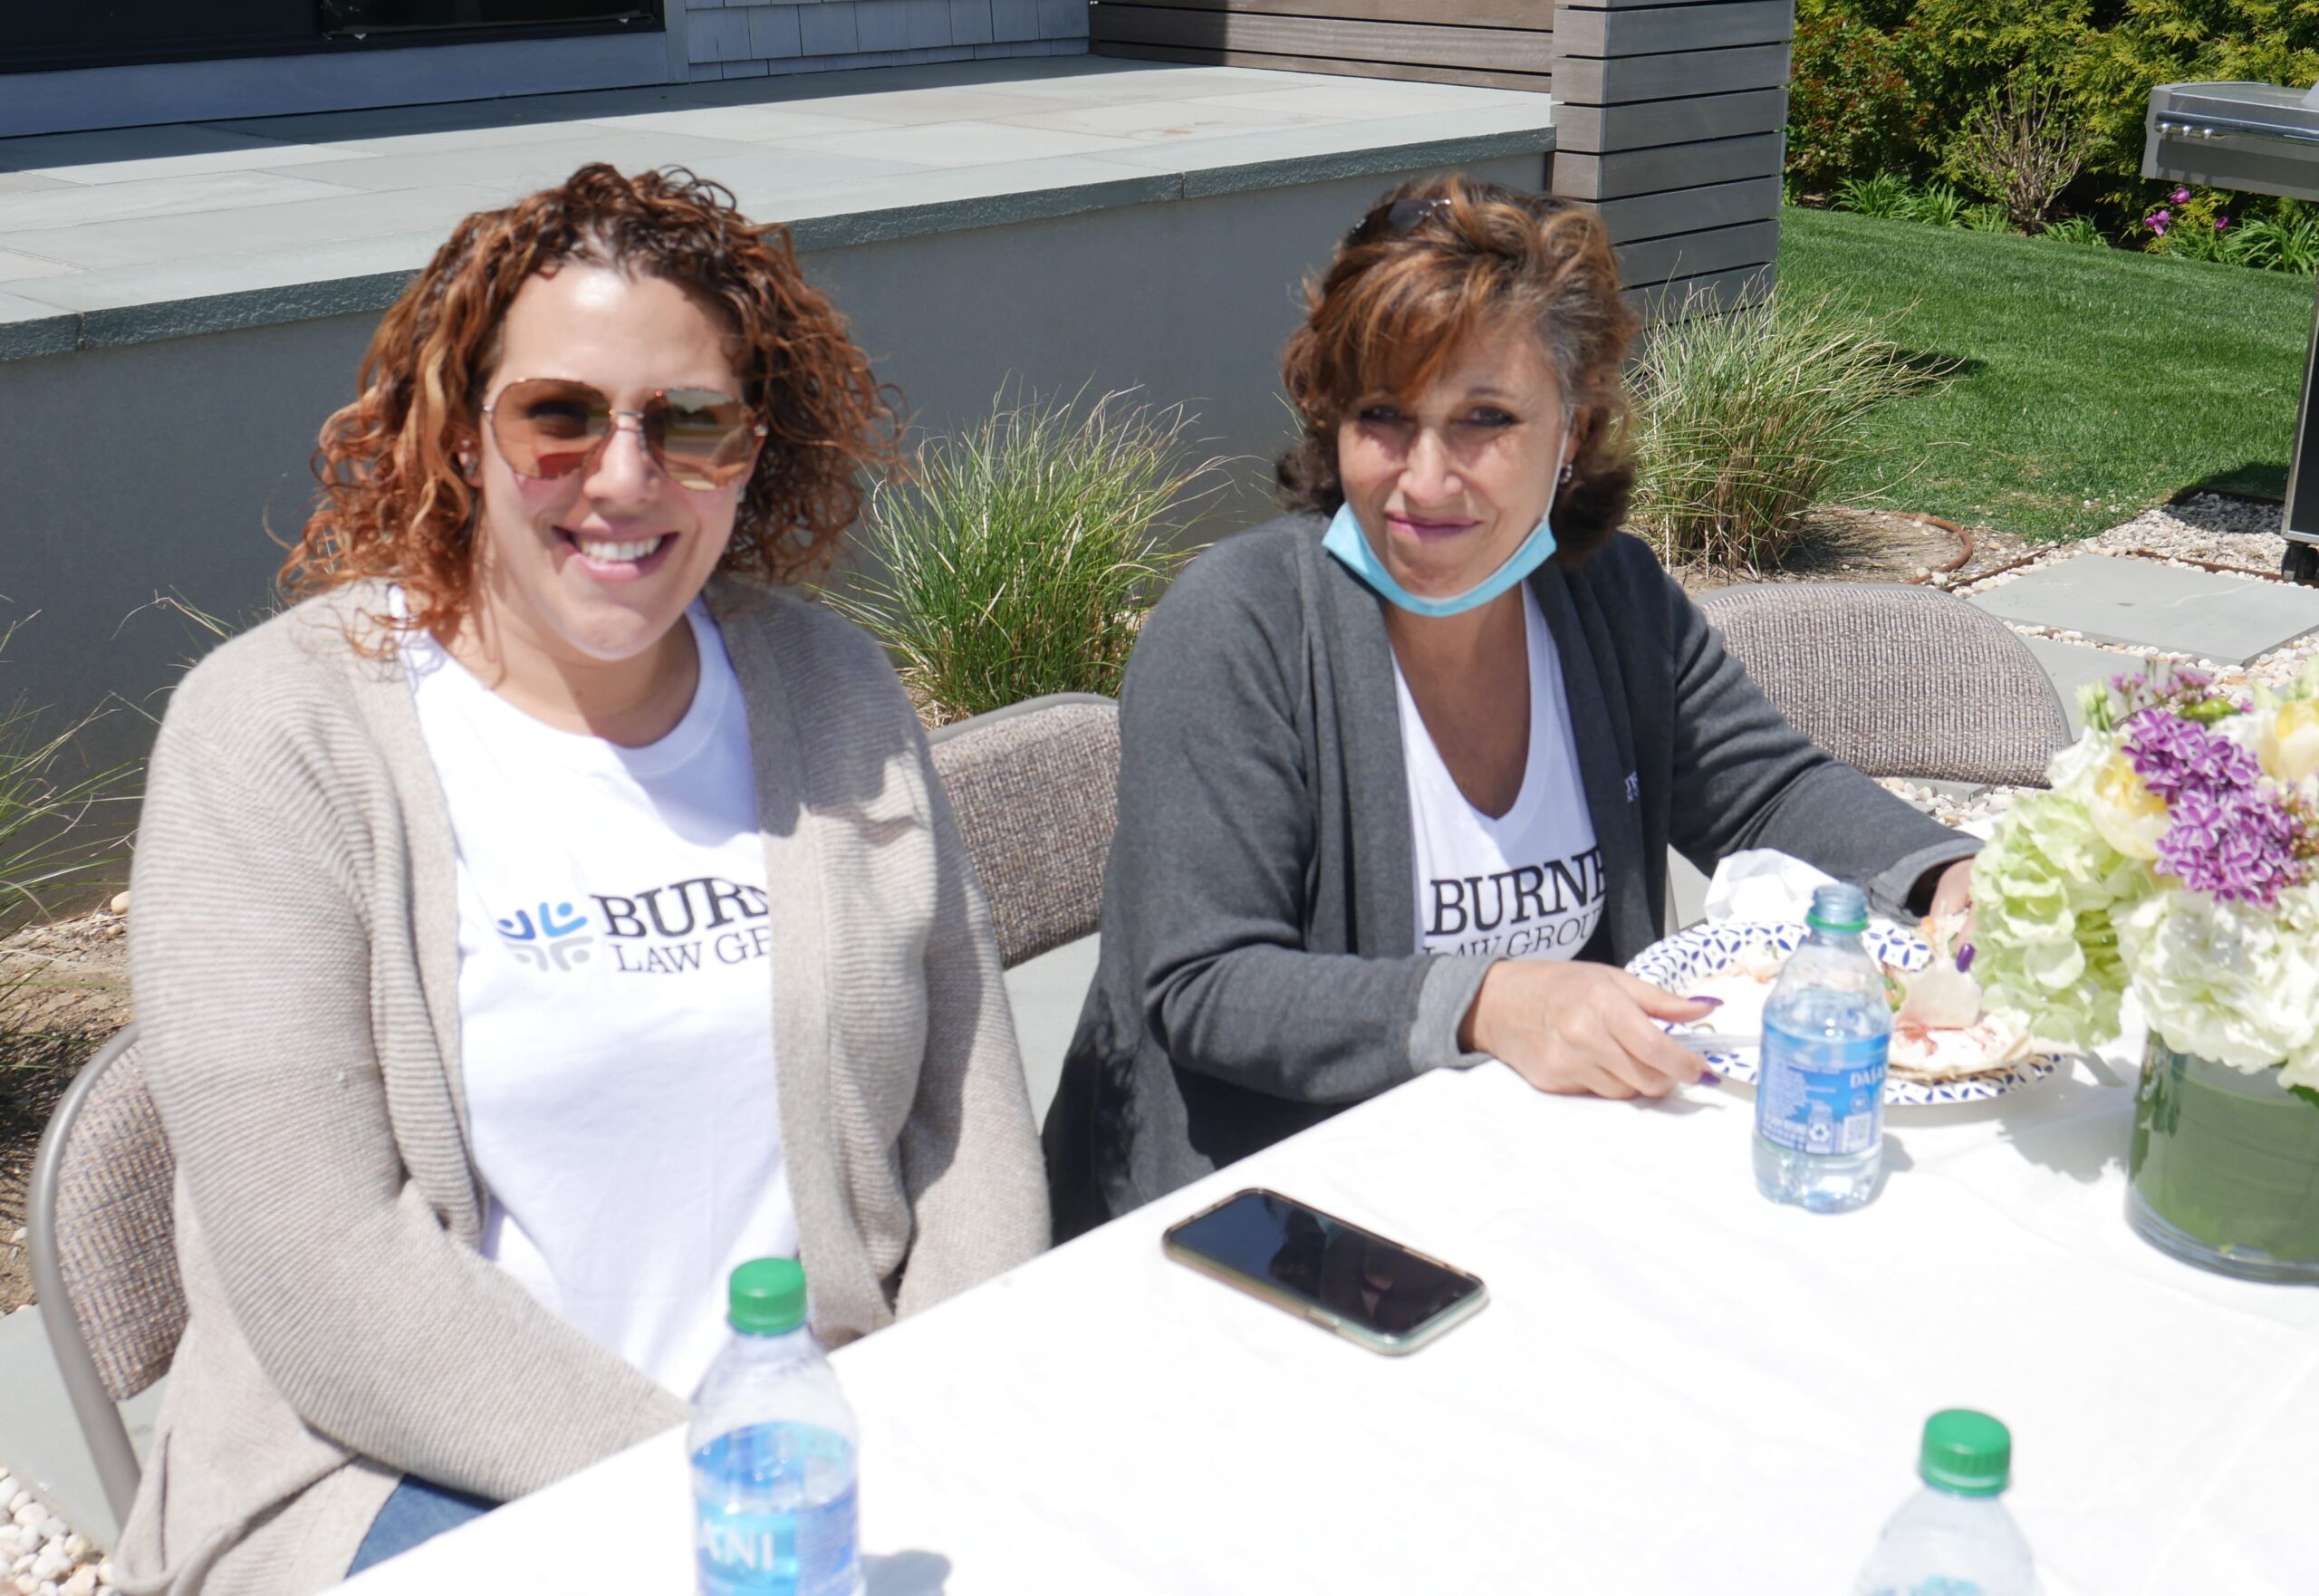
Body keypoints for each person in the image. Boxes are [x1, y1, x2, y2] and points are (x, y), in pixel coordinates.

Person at [120, 164, 1048, 1593]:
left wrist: (936, 1413)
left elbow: (964, 1113)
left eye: (692, 422)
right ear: (461, 430)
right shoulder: (273, 735)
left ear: (754, 449)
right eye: (559, 415)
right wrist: (714, 1481)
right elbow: (325, 1270)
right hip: (402, 1470)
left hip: (818, 1440)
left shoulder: (830, 689)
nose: (625, 477)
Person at [1043, 178, 1978, 1238]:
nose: (1424, 480)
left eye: (1483, 419)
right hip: (1265, 1226)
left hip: (1531, 1186)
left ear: (1572, 429)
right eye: (1383, 416)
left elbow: (1763, 792)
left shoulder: (1609, 596)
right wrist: (1488, 1003)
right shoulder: (1241, 626)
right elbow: (1208, 984)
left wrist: (1947, 875)